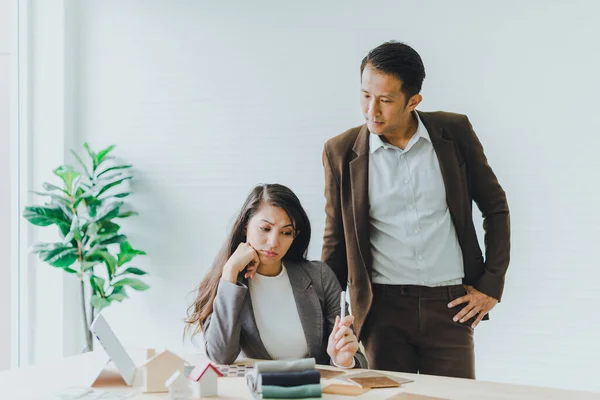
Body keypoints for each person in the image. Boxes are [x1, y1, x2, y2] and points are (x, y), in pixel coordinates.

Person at [321, 41, 510, 378]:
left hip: (451, 306)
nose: (371, 111)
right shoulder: (340, 152)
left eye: (385, 100)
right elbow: (335, 240)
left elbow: (495, 208)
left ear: (413, 101)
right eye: (365, 95)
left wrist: (491, 285)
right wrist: (325, 316)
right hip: (382, 312)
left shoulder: (455, 132)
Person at [185, 183, 367, 368]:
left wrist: (343, 361)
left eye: (286, 232)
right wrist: (230, 271)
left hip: (314, 390)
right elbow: (220, 355)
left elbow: (357, 359)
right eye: (265, 229)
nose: (273, 242)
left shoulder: (319, 276)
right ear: (246, 226)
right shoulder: (228, 282)